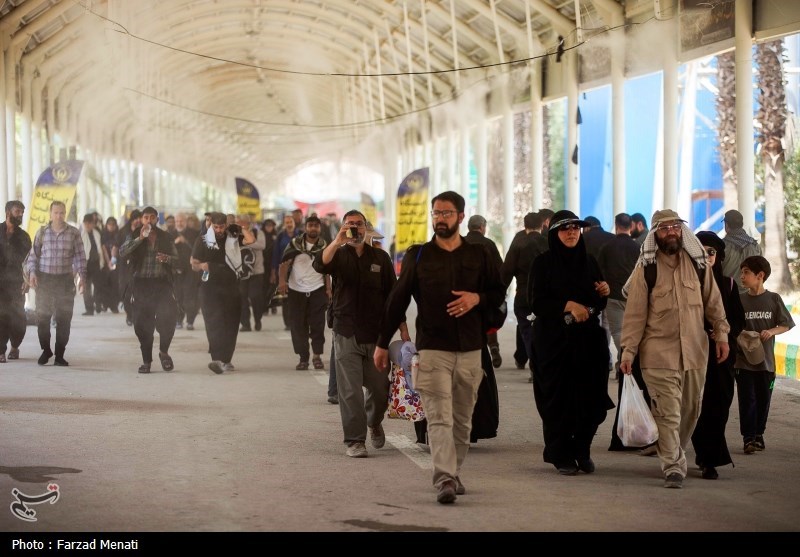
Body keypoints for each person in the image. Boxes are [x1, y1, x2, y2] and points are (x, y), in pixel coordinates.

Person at [374, 191, 505, 504]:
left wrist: (478, 298)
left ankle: (453, 469)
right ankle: (444, 478)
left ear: (460, 217)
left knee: (462, 420)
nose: (440, 218)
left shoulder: (479, 255)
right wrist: (382, 343)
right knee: (438, 417)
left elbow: (498, 292)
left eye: (446, 213)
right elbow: (398, 299)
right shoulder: (419, 255)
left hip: (472, 349)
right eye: (435, 213)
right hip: (433, 349)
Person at [619, 209, 730, 489]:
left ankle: (672, 449)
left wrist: (722, 335)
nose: (671, 232)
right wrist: (628, 351)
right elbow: (634, 315)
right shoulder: (647, 268)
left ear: (682, 231)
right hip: (658, 354)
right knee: (668, 412)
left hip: (694, 353)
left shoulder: (698, 264)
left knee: (690, 410)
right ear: (655, 233)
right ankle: (673, 466)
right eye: (665, 228)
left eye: (675, 227)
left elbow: (713, 302)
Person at [314, 210, 408, 460]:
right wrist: (337, 240)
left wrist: (403, 327)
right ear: (343, 227)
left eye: (358, 224)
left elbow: (393, 295)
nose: (355, 228)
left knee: (380, 388)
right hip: (345, 331)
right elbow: (319, 264)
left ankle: (374, 421)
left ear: (366, 228)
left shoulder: (380, 257)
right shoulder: (339, 254)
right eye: (349, 224)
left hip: (376, 335)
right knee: (349, 391)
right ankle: (355, 440)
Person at [527, 210, 614, 476]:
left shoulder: (589, 262)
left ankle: (582, 450)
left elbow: (597, 304)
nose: (571, 233)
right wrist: (568, 305)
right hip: (553, 345)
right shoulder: (543, 264)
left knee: (592, 401)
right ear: (554, 233)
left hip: (587, 343)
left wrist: (603, 294)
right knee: (559, 403)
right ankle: (561, 453)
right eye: (565, 229)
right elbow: (536, 303)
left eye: (575, 228)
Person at [690, 231, 745, 480]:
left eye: (711, 252)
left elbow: (737, 319)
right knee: (691, 405)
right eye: (702, 251)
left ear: (719, 255)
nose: (707, 256)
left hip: (721, 354)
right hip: (692, 350)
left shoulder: (729, 284)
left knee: (718, 404)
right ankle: (703, 454)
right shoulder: (687, 282)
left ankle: (709, 455)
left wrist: (721, 332)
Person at [734, 255, 794, 455]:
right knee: (747, 399)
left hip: (766, 363)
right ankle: (748, 437)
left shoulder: (773, 299)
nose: (742, 276)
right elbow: (731, 325)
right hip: (743, 362)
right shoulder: (739, 300)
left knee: (763, 399)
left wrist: (771, 332)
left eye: (746, 272)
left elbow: (786, 324)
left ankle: (759, 434)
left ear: (760, 276)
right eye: (742, 272)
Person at [191, 212, 255, 374]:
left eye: (221, 226)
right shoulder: (203, 240)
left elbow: (251, 240)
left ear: (226, 225)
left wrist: (240, 228)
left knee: (231, 324)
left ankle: (227, 359)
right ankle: (217, 359)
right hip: (209, 287)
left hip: (231, 286)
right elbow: (193, 263)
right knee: (214, 322)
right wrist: (203, 266)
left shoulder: (233, 238)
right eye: (215, 226)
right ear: (210, 225)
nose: (218, 230)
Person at [26, 200, 87, 367]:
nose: (59, 216)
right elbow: (33, 256)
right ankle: (46, 350)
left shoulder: (73, 233)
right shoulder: (42, 232)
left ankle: (60, 354)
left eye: (61, 213)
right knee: (43, 318)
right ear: (50, 214)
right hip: (45, 280)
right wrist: (32, 273)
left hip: (65, 281)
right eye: (56, 213)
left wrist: (83, 277)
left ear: (65, 213)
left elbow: (80, 256)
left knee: (64, 318)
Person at [119, 206, 179, 374]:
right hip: (141, 286)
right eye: (146, 217)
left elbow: (178, 260)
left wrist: (166, 258)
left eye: (152, 217)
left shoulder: (166, 237)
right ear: (141, 220)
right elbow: (123, 251)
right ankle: (147, 361)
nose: (149, 220)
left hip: (161, 285)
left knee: (168, 318)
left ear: (157, 220)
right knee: (142, 325)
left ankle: (164, 352)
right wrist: (139, 238)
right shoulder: (134, 234)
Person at [278, 214, 330, 370]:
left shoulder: (324, 246)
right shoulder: (295, 244)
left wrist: (328, 288)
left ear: (320, 228)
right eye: (310, 225)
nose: (313, 228)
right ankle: (303, 358)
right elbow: (284, 263)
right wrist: (282, 282)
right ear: (305, 228)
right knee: (298, 325)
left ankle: (317, 356)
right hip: (296, 291)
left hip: (317, 290)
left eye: (316, 225)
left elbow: (327, 269)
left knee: (317, 325)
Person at [501, 211, 548, 380]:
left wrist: (501, 293)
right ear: (542, 225)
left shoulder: (518, 243)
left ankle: (535, 368)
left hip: (523, 296)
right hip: (545, 297)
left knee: (527, 333)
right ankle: (545, 366)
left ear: (525, 225)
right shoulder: (548, 243)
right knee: (544, 332)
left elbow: (506, 271)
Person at [464, 214, 504, 368]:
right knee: (488, 320)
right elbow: (500, 268)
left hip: (465, 293)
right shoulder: (489, 244)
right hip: (485, 294)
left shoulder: (461, 243)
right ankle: (493, 346)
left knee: (468, 322)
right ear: (482, 227)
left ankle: (472, 352)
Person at [0, 200, 32, 363]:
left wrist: (27, 281)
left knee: (18, 317)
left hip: (17, 284)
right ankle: (1, 351)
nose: (20, 215)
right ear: (7, 212)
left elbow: (29, 261)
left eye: (22, 212)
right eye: (17, 211)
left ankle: (15, 346)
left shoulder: (24, 237)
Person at [237, 214, 266, 332]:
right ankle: (245, 324)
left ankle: (258, 319)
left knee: (255, 297)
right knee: (242, 298)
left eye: (240, 222)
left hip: (256, 272)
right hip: (242, 272)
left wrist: (247, 242)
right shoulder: (235, 234)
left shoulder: (258, 232)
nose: (238, 225)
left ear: (246, 223)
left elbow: (262, 245)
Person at [171, 212, 200, 331]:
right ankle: (178, 320)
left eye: (181, 221)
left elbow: (198, 249)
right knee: (177, 296)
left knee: (190, 295)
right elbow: (164, 249)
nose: (179, 223)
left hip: (190, 270)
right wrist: (175, 242)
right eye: (177, 221)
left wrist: (186, 241)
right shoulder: (170, 234)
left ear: (186, 221)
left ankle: (190, 321)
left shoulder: (194, 233)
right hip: (175, 270)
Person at [721, 209, 762, 293]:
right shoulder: (755, 246)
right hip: (750, 295)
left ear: (727, 225)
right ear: (741, 225)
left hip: (728, 295)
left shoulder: (721, 246)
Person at [271, 214, 299, 330]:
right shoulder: (280, 236)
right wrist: (273, 272)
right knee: (285, 297)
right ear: (284, 224)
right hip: (283, 270)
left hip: (298, 270)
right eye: (286, 222)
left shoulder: (301, 235)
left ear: (294, 223)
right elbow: (276, 254)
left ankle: (297, 321)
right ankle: (288, 323)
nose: (289, 224)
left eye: (290, 222)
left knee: (297, 296)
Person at [80, 213, 108, 316]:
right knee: (86, 288)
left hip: (96, 263)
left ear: (93, 224)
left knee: (98, 286)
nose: (87, 225)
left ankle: (98, 304)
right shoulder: (80, 235)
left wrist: (106, 261)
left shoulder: (97, 233)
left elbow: (102, 248)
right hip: (85, 264)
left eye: (89, 223)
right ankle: (89, 309)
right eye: (85, 223)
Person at [117, 209, 142, 326]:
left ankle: (137, 314)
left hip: (138, 265)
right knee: (125, 291)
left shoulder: (143, 231)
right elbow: (117, 247)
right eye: (135, 218)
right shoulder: (123, 231)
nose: (137, 221)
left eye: (139, 218)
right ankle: (129, 314)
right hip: (124, 266)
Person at [101, 217, 121, 314]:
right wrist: (108, 261)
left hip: (117, 262)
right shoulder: (103, 235)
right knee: (105, 284)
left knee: (115, 285)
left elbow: (119, 248)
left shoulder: (119, 235)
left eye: (113, 224)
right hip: (105, 263)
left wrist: (113, 261)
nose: (111, 226)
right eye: (109, 224)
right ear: (106, 225)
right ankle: (105, 304)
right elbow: (103, 248)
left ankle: (114, 306)